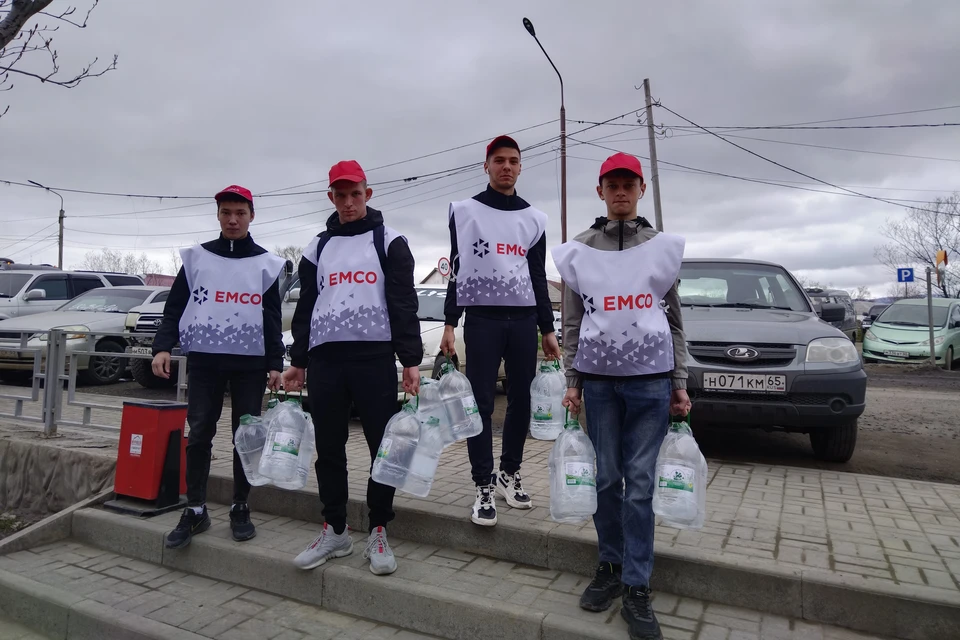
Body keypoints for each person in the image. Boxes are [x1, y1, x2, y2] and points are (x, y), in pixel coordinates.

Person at [552, 153, 691, 640]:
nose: (620, 193)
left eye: (628, 184)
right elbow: (572, 323)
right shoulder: (578, 251)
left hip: (652, 381)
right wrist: (572, 381)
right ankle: (609, 567)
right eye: (612, 185)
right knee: (607, 478)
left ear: (640, 190)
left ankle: (637, 584)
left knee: (641, 482)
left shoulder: (662, 248)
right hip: (600, 383)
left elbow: (673, 320)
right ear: (600, 191)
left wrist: (680, 383)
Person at [282, 160, 422, 576]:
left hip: (374, 359)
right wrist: (299, 361)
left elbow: (403, 304)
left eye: (355, 194)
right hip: (326, 360)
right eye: (340, 195)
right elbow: (306, 308)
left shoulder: (390, 241)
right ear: (331, 197)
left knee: (383, 447)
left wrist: (411, 360)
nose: (347, 203)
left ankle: (378, 529)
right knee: (329, 448)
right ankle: (336, 530)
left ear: (368, 194)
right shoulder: (317, 247)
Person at [153, 185, 286, 549]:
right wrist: (162, 346)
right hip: (206, 361)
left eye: (239, 213)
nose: (232, 219)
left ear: (251, 216)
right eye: (226, 213)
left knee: (245, 436)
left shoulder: (266, 263)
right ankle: (195, 508)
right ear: (217, 215)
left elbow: (272, 317)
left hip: (250, 364)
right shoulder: (197, 258)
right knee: (198, 435)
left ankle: (240, 506)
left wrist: (276, 363)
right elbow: (175, 306)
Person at [440, 135, 561, 527]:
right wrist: (448, 322)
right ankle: (483, 484)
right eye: (499, 161)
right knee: (481, 404)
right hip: (482, 319)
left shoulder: (535, 218)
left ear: (520, 167)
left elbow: (538, 275)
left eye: (513, 161)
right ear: (487, 166)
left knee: (521, 401)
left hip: (524, 320)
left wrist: (547, 327)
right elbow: (456, 269)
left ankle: (509, 473)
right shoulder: (465, 211)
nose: (506, 167)